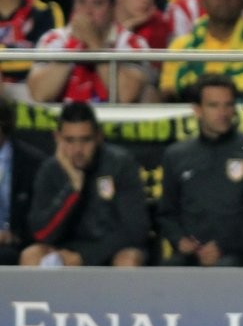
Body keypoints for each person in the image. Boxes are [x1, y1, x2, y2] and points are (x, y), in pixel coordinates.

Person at [157, 74, 243, 266]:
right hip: (192, 255)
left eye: (228, 105)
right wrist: (180, 241)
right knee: (168, 269)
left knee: (227, 266)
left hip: (242, 254)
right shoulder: (175, 155)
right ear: (197, 110)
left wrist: (224, 246)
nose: (222, 112)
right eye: (213, 105)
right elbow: (167, 213)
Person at [21, 101, 150, 267]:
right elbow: (41, 233)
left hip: (110, 250)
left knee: (129, 259)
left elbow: (135, 230)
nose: (77, 150)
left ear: (98, 137)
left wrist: (85, 257)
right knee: (31, 255)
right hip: (65, 250)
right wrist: (73, 188)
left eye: (85, 140)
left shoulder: (120, 165)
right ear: (57, 138)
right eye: (69, 140)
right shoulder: (50, 170)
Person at [27, 0, 150, 104]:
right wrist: (73, 45)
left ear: (113, 7)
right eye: (81, 2)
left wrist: (94, 44)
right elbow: (40, 94)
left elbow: (126, 96)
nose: (87, 11)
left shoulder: (132, 43)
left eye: (97, 3)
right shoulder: (53, 39)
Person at [0, 97, 47, 266]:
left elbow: (39, 216)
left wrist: (12, 234)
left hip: (14, 244)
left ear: (3, 124)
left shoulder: (33, 163)